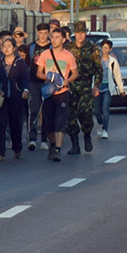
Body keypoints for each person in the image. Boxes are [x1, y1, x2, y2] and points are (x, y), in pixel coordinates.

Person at [35, 25, 79, 162]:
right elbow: (38, 73)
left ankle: (58, 149)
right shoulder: (45, 54)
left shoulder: (69, 56)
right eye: (52, 37)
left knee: (61, 121)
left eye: (57, 37)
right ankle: (52, 144)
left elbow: (75, 73)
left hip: (62, 92)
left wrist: (67, 81)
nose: (54, 40)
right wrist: (48, 77)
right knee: (49, 123)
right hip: (49, 92)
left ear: (64, 40)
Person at [0, 34, 30, 161]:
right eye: (4, 46)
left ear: (14, 48)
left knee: (15, 123)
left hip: (16, 97)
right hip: (1, 98)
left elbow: (25, 79)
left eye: (9, 46)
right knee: (0, 124)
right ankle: (0, 152)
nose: (7, 48)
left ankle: (17, 148)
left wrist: (25, 90)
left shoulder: (20, 63)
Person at [66, 28, 103, 155]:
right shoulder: (68, 47)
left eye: (82, 33)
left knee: (85, 112)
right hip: (71, 84)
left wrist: (96, 85)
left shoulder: (92, 48)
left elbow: (98, 68)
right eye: (78, 33)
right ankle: (74, 144)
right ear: (74, 34)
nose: (80, 35)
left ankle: (87, 135)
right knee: (70, 115)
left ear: (85, 34)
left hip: (86, 84)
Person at [24, 21, 51, 150]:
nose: (43, 36)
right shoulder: (31, 47)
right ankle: (32, 138)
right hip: (33, 82)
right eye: (40, 33)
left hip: (48, 82)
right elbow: (26, 64)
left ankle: (44, 139)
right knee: (33, 110)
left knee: (46, 111)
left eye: (45, 33)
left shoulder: (52, 47)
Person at [97, 37, 123, 139]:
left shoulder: (113, 62)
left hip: (108, 87)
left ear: (110, 49)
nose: (105, 49)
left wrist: (121, 89)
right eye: (103, 47)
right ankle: (101, 123)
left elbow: (117, 75)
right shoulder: (97, 60)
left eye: (107, 48)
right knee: (96, 111)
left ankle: (105, 129)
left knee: (105, 108)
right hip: (97, 88)